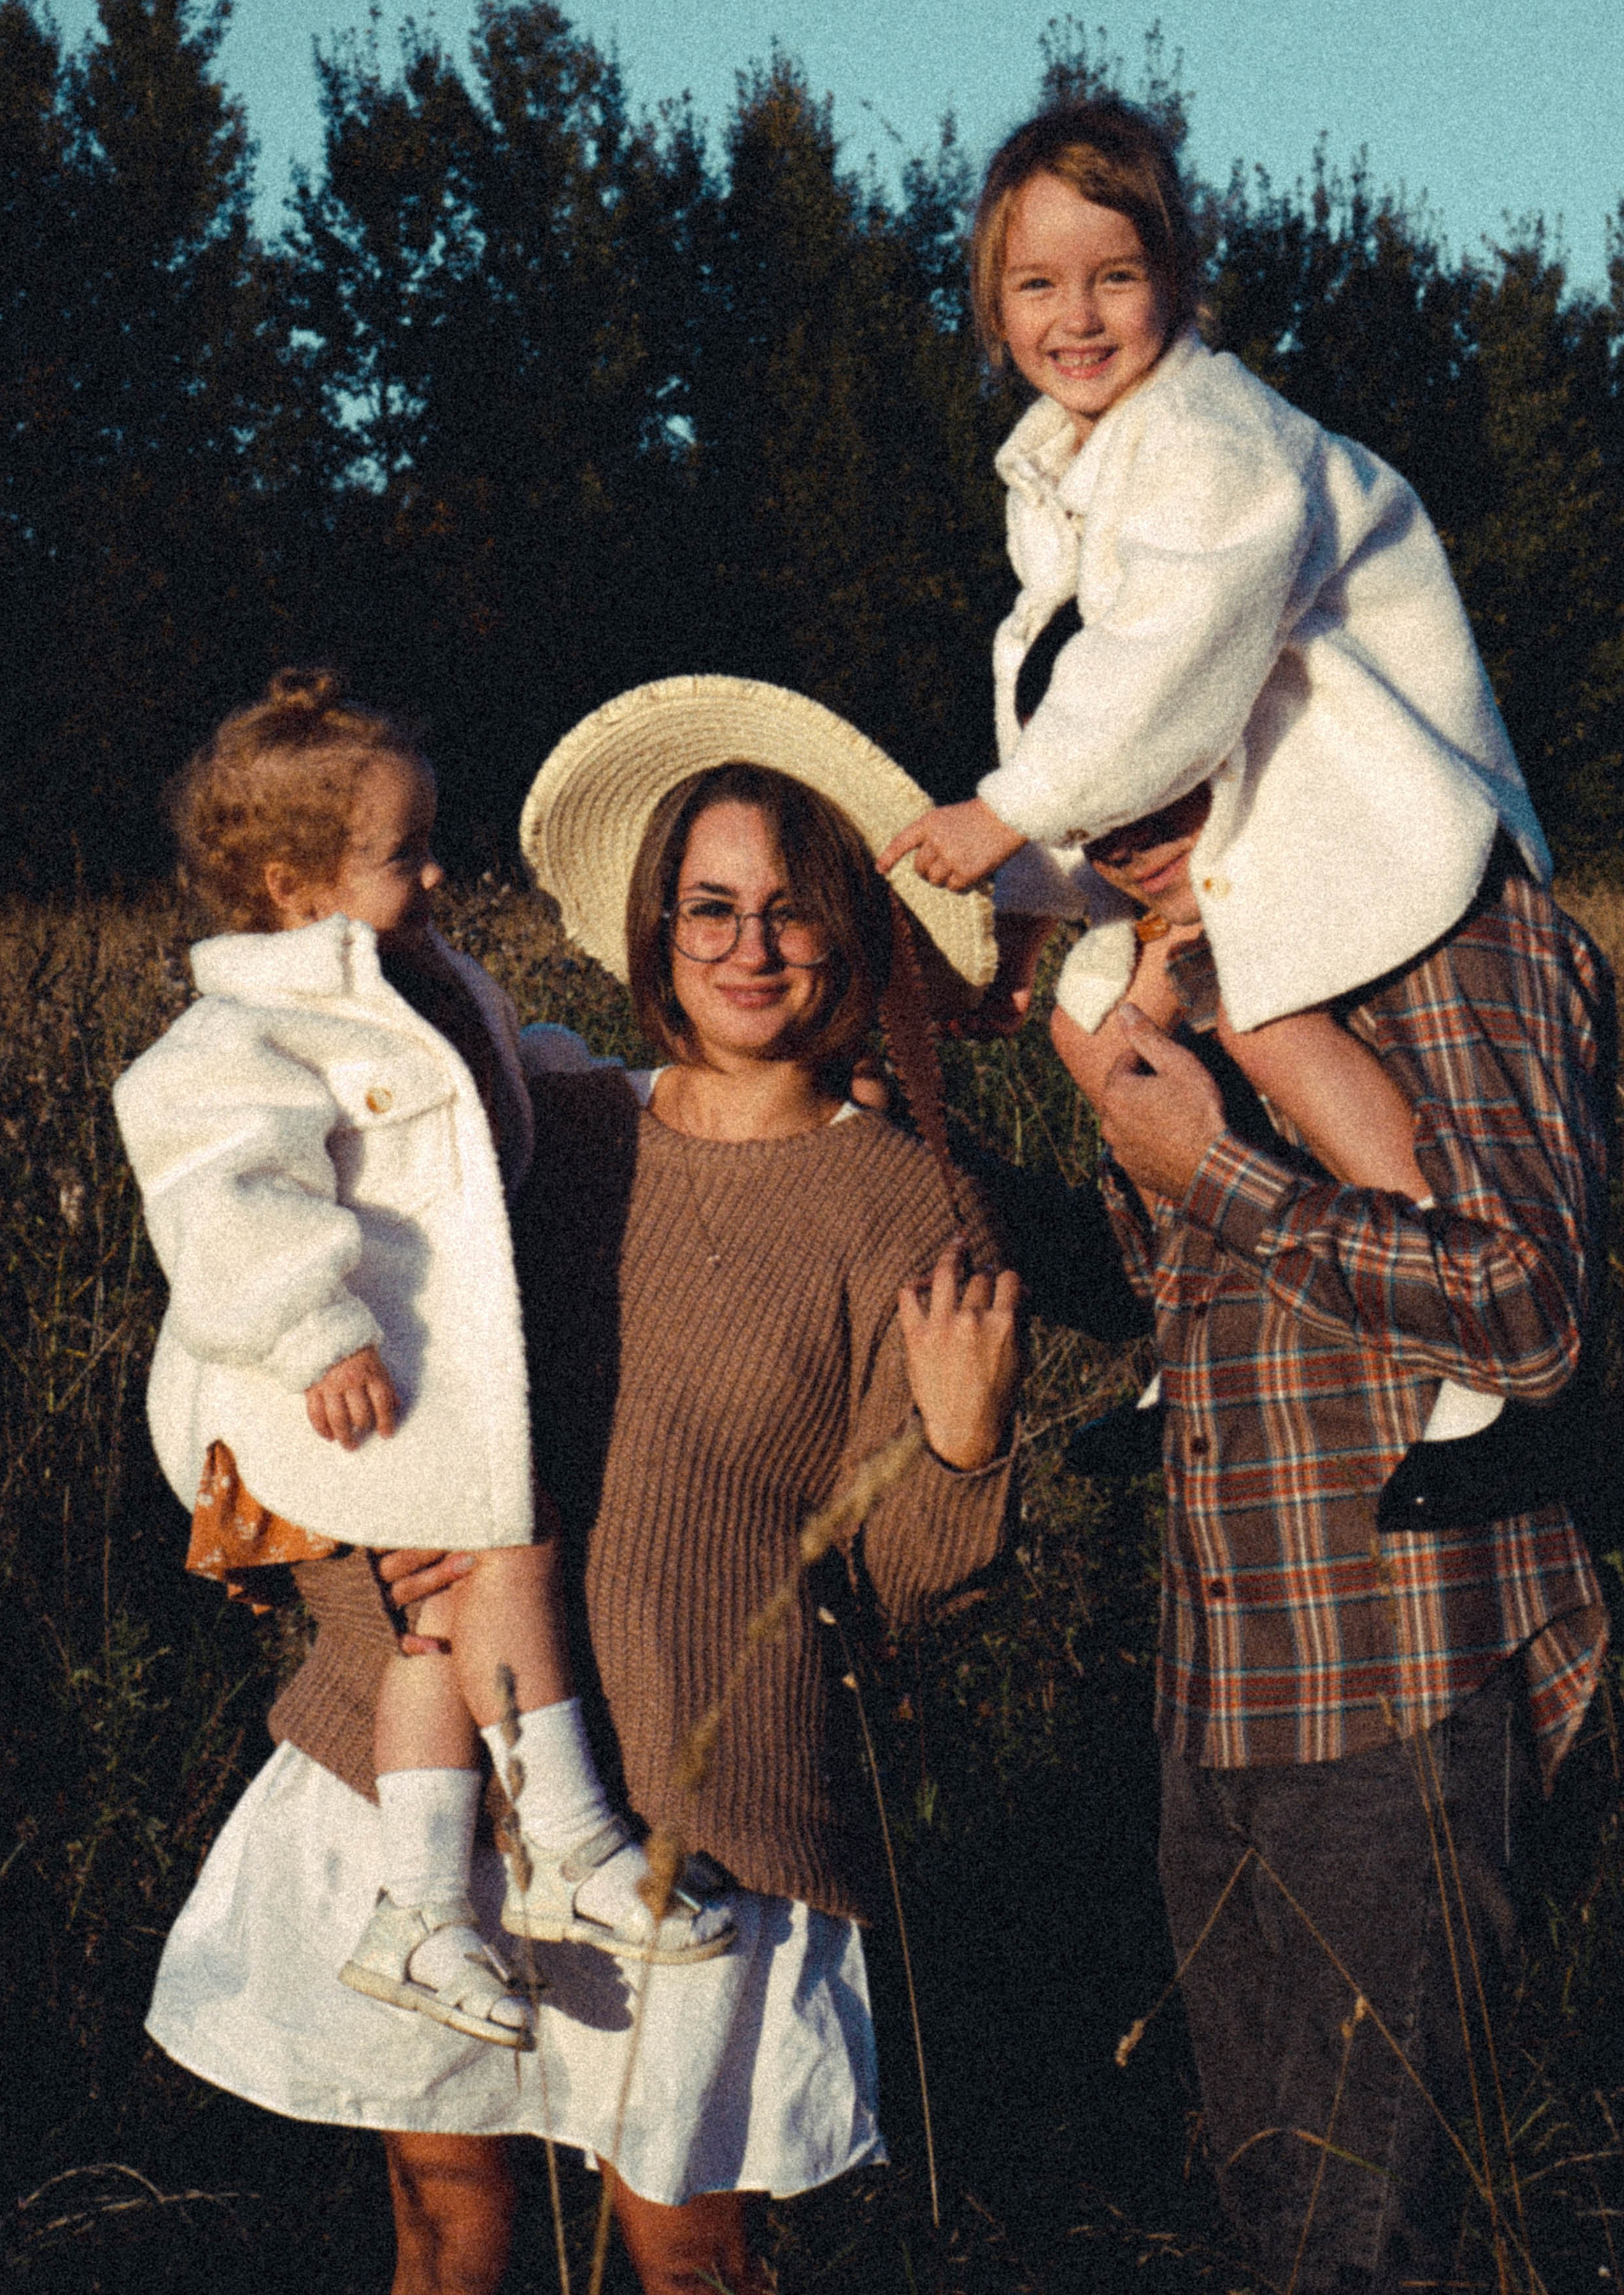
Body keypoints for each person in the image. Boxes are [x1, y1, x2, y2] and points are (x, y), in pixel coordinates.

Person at [142, 675, 1020, 2295]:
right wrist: (356, 1569)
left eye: (789, 910)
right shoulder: (536, 1128)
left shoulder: (901, 1204)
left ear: (847, 934)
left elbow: (902, 1580)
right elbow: (311, 1355)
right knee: (449, 2229)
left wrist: (964, 1442)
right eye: (708, 906)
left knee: (688, 2258)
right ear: (654, 922)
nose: (748, 948)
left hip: (704, 1810)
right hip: (435, 1783)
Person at [875, 96, 1551, 1447]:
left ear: (1176, 284)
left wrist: (1005, 814)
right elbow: (1079, 699)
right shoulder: (1070, 463)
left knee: (1258, 1015)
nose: (1076, 315)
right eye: (1036, 285)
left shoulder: (1211, 442)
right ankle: (1200, 1311)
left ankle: (1470, 1327)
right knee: (1093, 1024)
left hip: (1355, 794)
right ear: (989, 306)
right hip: (1231, 808)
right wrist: (1027, 901)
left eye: (1114, 278)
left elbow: (1166, 664)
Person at [115, 670, 733, 2066]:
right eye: (402, 854)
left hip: (410, 1375)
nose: (437, 870)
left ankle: (413, 1908)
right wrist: (308, 1324)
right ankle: (572, 1841)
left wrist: (635, 1093)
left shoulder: (424, 978)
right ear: (291, 887)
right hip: (321, 1380)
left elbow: (511, 1077)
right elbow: (221, 1192)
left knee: (437, 1625)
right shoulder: (247, 1032)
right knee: (507, 1551)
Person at [1050, 778, 1613, 2293]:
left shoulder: (1447, 933)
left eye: (1163, 777)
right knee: (1282, 2220)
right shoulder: (1187, 960)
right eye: (1093, 810)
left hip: (1396, 1669)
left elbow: (1528, 1310)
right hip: (1222, 1676)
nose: (1125, 835)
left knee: (1369, 2239)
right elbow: (1189, 1291)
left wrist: (1215, 1177)